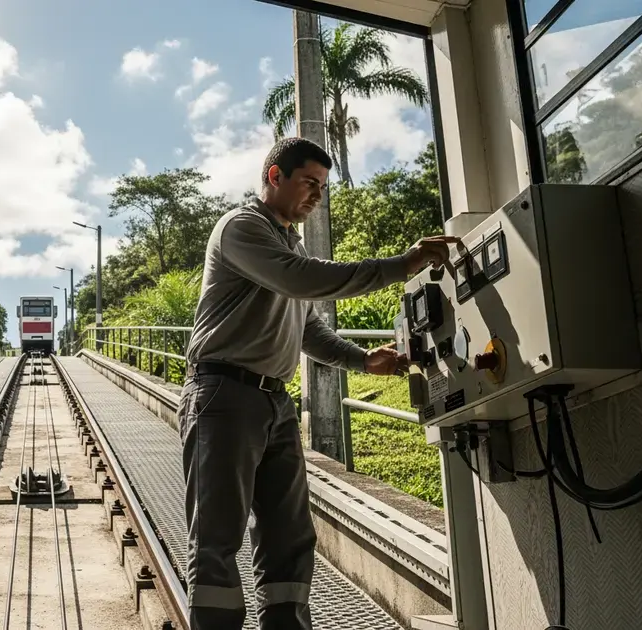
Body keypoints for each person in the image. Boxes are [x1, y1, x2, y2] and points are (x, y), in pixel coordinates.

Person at [179, 136, 459, 629]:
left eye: (322, 186)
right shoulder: (242, 228)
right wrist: (404, 265)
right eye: (309, 183)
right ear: (274, 177)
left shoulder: (291, 242)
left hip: (273, 402)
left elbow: (307, 328)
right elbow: (301, 280)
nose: (317, 196)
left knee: (290, 534)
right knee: (217, 537)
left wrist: (361, 360)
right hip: (223, 395)